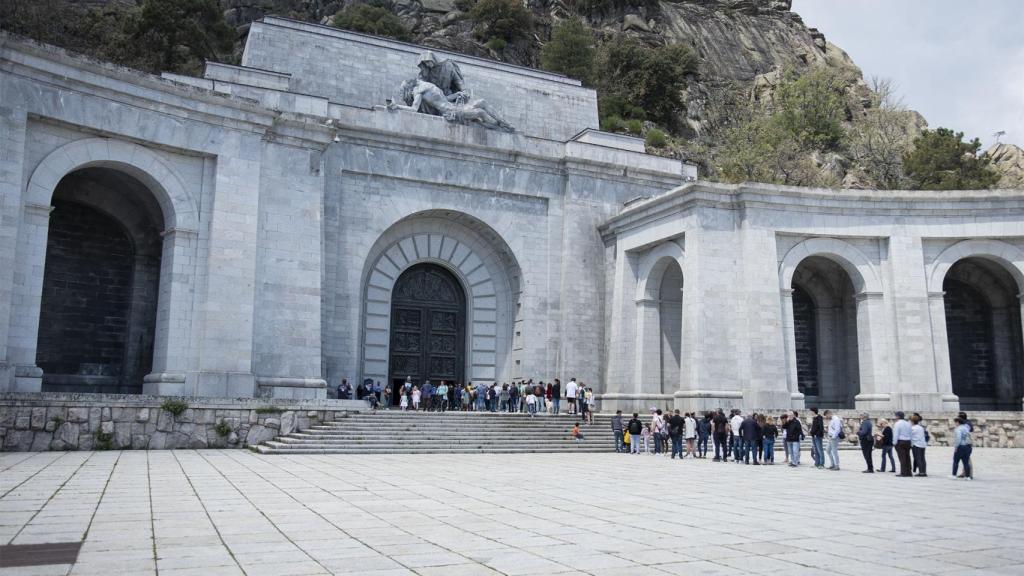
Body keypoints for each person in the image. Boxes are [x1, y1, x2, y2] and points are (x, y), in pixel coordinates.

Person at [892, 411, 913, 477]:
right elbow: (911, 433)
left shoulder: (897, 424)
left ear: (898, 416)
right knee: (907, 457)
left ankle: (903, 472)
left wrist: (894, 442)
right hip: (908, 441)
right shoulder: (908, 423)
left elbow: (896, 434)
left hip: (900, 441)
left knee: (902, 458)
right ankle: (909, 472)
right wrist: (911, 442)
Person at [910, 413, 928, 477]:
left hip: (916, 444)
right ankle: (924, 471)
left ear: (912, 421)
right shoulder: (921, 427)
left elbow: (910, 437)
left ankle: (921, 472)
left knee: (918, 458)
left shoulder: (912, 428)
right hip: (923, 444)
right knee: (923, 458)